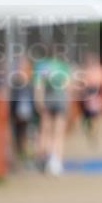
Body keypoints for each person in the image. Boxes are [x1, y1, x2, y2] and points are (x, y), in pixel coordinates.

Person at [33, 47, 72, 176]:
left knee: (45, 131)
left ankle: (44, 158)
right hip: (60, 99)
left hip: (47, 99)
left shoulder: (42, 65)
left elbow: (39, 85)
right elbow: (68, 86)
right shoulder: (63, 66)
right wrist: (69, 102)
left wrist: (38, 100)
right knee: (59, 133)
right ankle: (57, 161)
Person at [77, 52, 102, 142]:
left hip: (95, 95)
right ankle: (90, 130)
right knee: (86, 116)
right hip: (86, 96)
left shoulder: (100, 70)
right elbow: (81, 85)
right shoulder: (84, 70)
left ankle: (93, 132)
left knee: (94, 115)